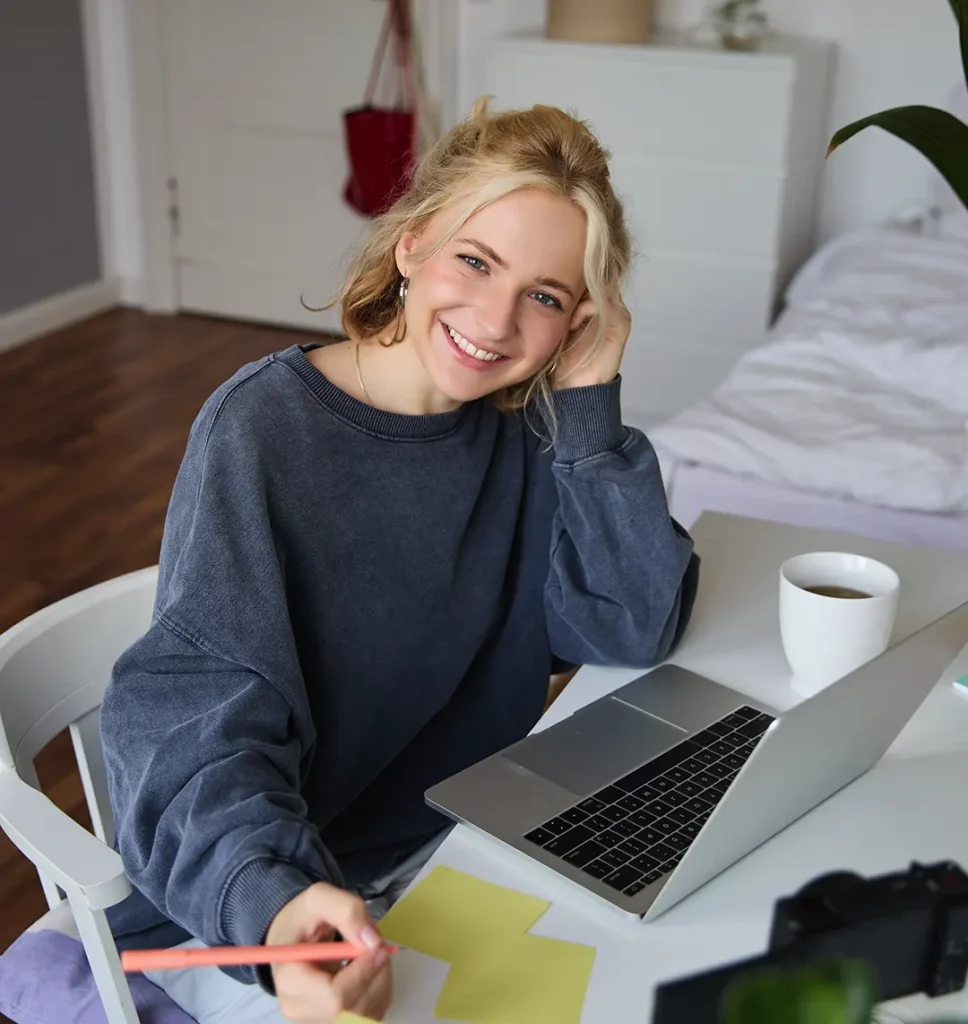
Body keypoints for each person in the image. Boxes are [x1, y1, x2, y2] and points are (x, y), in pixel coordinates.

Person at [100, 98, 700, 1023]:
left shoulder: (537, 426)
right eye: (475, 260)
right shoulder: (265, 430)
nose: (497, 322)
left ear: (581, 318)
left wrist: (591, 408)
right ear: (412, 245)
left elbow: (628, 627)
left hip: (471, 847)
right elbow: (191, 717)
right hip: (297, 892)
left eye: (544, 296)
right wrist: (277, 898)